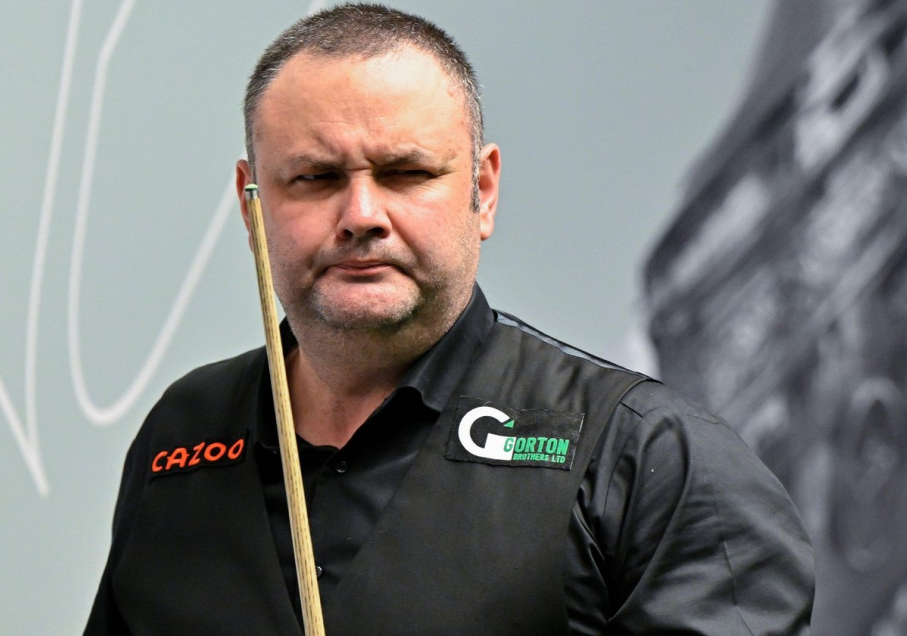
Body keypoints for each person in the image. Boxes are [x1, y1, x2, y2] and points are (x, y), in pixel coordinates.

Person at [85, 4, 815, 634]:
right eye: (315, 178)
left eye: (406, 173)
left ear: (483, 190)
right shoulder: (182, 438)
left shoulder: (652, 459)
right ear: (251, 204)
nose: (362, 216)